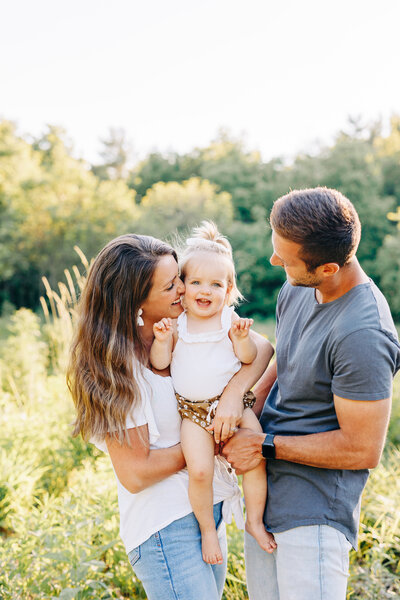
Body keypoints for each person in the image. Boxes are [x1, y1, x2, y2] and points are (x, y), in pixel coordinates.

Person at [67, 233, 273, 600]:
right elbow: (135, 473)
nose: (184, 288)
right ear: (136, 301)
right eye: (170, 286)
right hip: (166, 527)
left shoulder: (188, 328)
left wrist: (229, 400)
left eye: (180, 276)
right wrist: (214, 437)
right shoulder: (119, 369)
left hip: (207, 510)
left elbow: (261, 349)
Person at [222, 187, 400, 600]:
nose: (274, 262)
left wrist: (263, 445)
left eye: (285, 258)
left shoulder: (363, 333)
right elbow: (285, 361)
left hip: (315, 514)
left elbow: (362, 449)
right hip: (265, 497)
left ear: (328, 268)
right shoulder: (297, 288)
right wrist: (245, 409)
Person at [150, 222, 276, 566]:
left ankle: (253, 521)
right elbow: (161, 363)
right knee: (200, 470)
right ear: (183, 287)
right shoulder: (178, 324)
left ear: (229, 288)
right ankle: (208, 528)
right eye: (196, 283)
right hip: (191, 413)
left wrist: (240, 341)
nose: (205, 291)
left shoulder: (228, 321)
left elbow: (250, 359)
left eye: (216, 284)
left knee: (255, 456)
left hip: (232, 406)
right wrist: (162, 342)